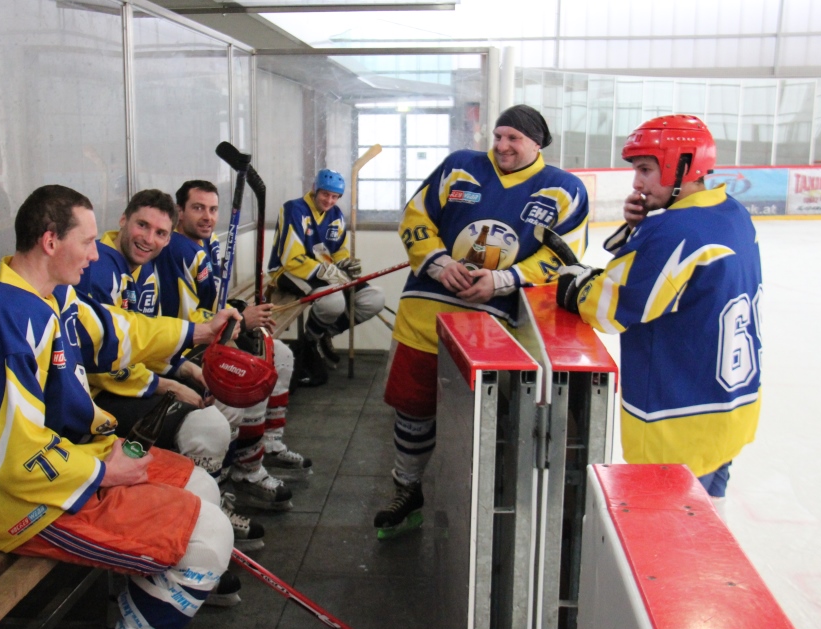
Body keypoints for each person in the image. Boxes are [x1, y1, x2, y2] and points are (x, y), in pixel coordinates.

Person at [0, 185, 242, 629]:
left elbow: (119, 331)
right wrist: (102, 471)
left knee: (200, 487)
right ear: (50, 241)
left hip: (67, 461)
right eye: (86, 241)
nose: (97, 253)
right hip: (11, 500)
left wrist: (197, 333)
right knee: (209, 537)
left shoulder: (52, 295)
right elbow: (12, 458)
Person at [376, 104, 590, 538]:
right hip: (424, 316)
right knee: (412, 410)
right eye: (498, 136)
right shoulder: (460, 166)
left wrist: (504, 279)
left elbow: (563, 255)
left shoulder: (564, 189)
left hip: (494, 331)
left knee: (481, 424)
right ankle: (406, 488)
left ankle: (477, 510)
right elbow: (416, 217)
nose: (502, 146)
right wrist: (438, 263)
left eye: (513, 138)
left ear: (537, 144)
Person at [555, 114, 762, 517]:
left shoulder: (674, 231)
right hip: (730, 406)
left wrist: (574, 287)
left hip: (679, 421)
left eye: (646, 169)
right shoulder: (731, 212)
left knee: (673, 538)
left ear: (680, 166)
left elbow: (613, 308)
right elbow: (666, 280)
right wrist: (642, 229)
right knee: (709, 522)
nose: (637, 182)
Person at [75, 188, 266, 554]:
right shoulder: (99, 271)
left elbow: (143, 340)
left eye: (160, 232)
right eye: (142, 226)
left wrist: (184, 368)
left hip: (128, 382)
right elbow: (97, 363)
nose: (149, 239)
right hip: (95, 399)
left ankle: (211, 507)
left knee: (223, 393)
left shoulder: (144, 269)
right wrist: (165, 385)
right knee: (207, 426)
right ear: (123, 220)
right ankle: (195, 531)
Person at [169, 180, 311, 512]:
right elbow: (189, 318)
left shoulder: (205, 244)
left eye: (212, 209)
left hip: (216, 335)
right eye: (197, 208)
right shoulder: (179, 251)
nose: (207, 216)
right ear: (180, 212)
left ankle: (262, 450)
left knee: (280, 355)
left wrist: (240, 311)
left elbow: (212, 303)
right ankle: (238, 474)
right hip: (189, 347)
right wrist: (241, 321)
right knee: (250, 374)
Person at [267, 168, 386, 375]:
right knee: (333, 301)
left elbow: (338, 249)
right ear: (315, 188)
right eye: (325, 194)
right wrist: (326, 271)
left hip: (326, 270)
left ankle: (323, 334)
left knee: (374, 298)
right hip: (288, 271)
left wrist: (345, 264)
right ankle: (310, 342)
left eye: (335, 196)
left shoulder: (336, 215)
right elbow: (290, 258)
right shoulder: (294, 209)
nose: (329, 200)